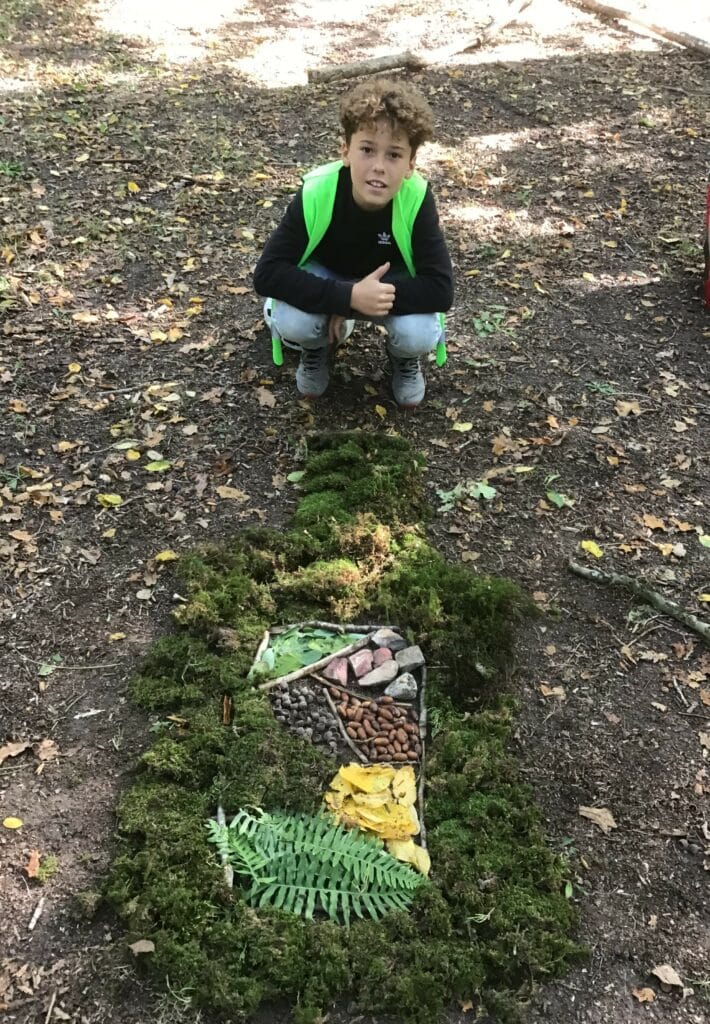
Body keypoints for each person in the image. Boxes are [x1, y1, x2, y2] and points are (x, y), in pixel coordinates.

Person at [253, 78, 453, 408]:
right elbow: (267, 274)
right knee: (294, 322)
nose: (378, 166)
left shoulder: (416, 197)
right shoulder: (318, 190)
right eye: (367, 149)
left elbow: (441, 289)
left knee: (419, 332)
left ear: (410, 164)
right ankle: (316, 346)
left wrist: (361, 299)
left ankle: (403, 356)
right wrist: (345, 297)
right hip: (328, 275)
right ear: (345, 151)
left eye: (394, 154)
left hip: (388, 287)